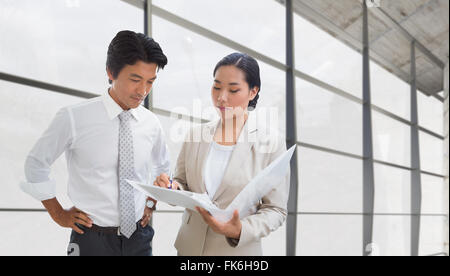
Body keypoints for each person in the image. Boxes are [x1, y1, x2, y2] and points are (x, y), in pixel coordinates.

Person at [20, 30, 170, 256]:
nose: (143, 91)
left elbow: (162, 168)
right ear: (111, 72)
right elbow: (36, 164)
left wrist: (150, 204)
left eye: (150, 81)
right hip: (91, 239)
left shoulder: (151, 123)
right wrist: (59, 214)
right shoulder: (74, 117)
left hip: (139, 237)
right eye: (135, 79)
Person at [154, 53, 290, 256]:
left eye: (233, 89)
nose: (221, 97)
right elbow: (183, 183)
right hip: (189, 250)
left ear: (253, 92)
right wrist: (171, 187)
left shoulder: (271, 143)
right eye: (216, 87)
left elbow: (276, 210)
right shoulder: (196, 135)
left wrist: (240, 230)